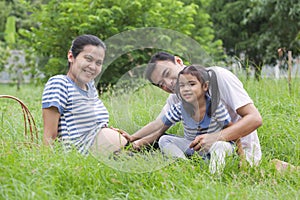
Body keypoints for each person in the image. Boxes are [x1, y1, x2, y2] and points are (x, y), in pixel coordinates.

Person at [121, 51, 262, 167]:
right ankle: (187, 169)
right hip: (199, 153)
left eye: (167, 73)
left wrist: (214, 138)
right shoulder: (176, 98)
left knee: (217, 150)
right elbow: (157, 128)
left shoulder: (217, 76)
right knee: (161, 145)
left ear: (178, 61)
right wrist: (130, 142)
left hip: (237, 154)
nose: (169, 84)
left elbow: (254, 119)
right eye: (161, 84)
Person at [42, 34, 127, 155]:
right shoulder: (59, 84)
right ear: (71, 56)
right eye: (88, 59)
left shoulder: (90, 86)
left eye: (98, 63)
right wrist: (47, 162)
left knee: (157, 141)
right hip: (94, 157)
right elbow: (49, 135)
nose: (93, 67)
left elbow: (90, 126)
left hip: (118, 152)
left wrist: (107, 130)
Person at [158, 65, 234, 174]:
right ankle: (186, 168)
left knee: (220, 145)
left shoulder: (215, 106)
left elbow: (233, 130)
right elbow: (157, 126)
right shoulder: (180, 107)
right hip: (196, 147)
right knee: (164, 139)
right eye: (182, 86)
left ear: (204, 86)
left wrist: (243, 157)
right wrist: (134, 139)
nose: (186, 89)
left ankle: (214, 175)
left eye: (192, 84)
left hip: (216, 145)